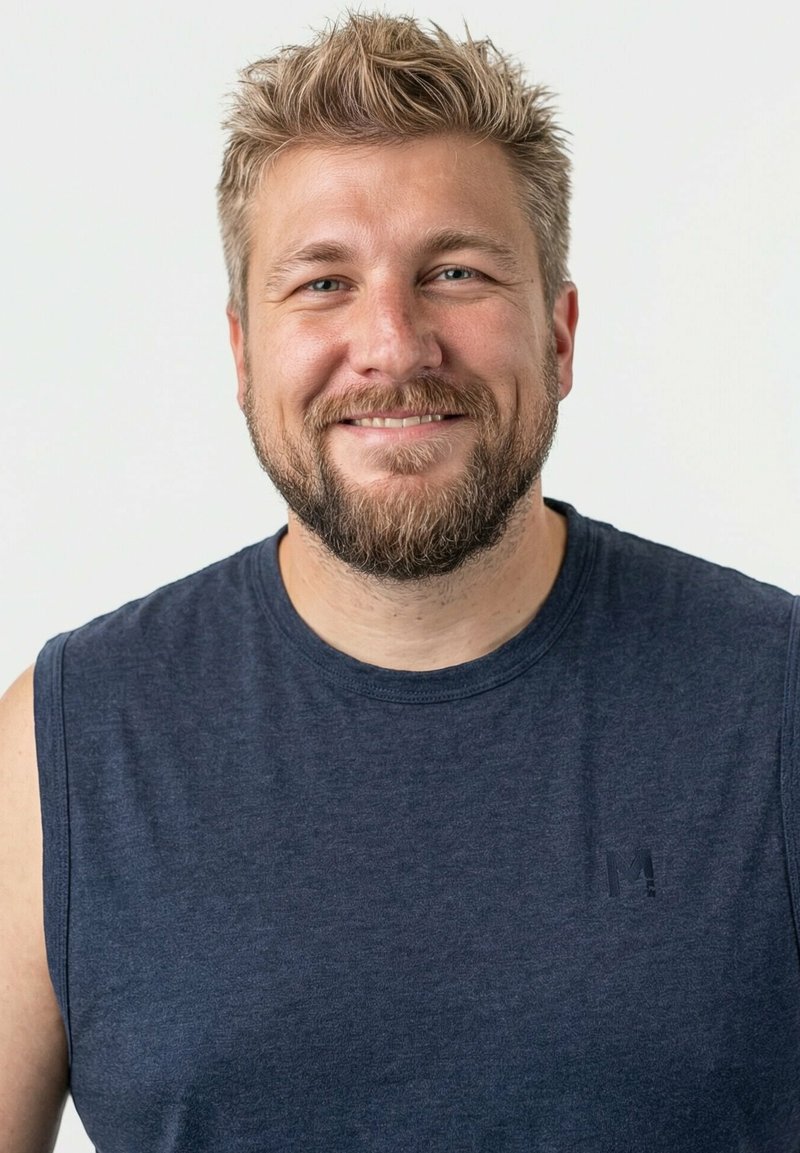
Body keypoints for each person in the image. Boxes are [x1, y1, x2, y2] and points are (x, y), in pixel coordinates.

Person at [1, 12, 798, 1152]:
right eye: (323, 281)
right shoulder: (63, 743)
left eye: (454, 272)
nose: (393, 343)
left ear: (560, 335)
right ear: (242, 353)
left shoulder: (777, 701)